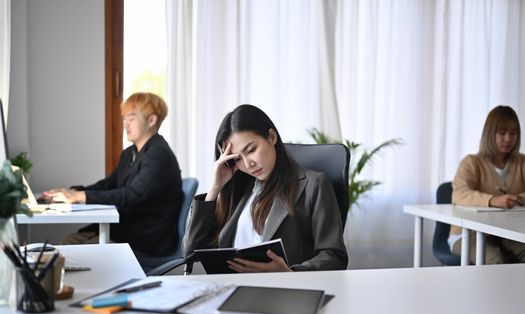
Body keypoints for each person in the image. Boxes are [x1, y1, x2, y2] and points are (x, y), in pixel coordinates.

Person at [183, 104, 348, 272]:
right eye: (238, 159)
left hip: (285, 291)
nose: (248, 164)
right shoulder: (240, 191)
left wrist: (289, 273)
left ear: (271, 137)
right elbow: (190, 253)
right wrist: (216, 187)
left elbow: (334, 257)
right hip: (234, 290)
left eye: (252, 150)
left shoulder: (314, 185)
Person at [42, 92, 183, 257]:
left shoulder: (158, 154)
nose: (125, 124)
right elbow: (110, 184)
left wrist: (81, 196)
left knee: (69, 249)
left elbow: (132, 195)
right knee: (68, 243)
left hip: (147, 238)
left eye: (131, 118)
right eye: (124, 119)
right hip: (128, 228)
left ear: (151, 120)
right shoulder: (130, 153)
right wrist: (74, 191)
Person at [450, 105, 525, 314]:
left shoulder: (522, 162)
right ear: (490, 134)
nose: (508, 139)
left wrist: (517, 198)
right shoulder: (472, 163)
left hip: (506, 234)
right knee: (494, 261)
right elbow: (460, 194)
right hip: (466, 235)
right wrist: (493, 200)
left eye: (513, 133)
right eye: (502, 132)